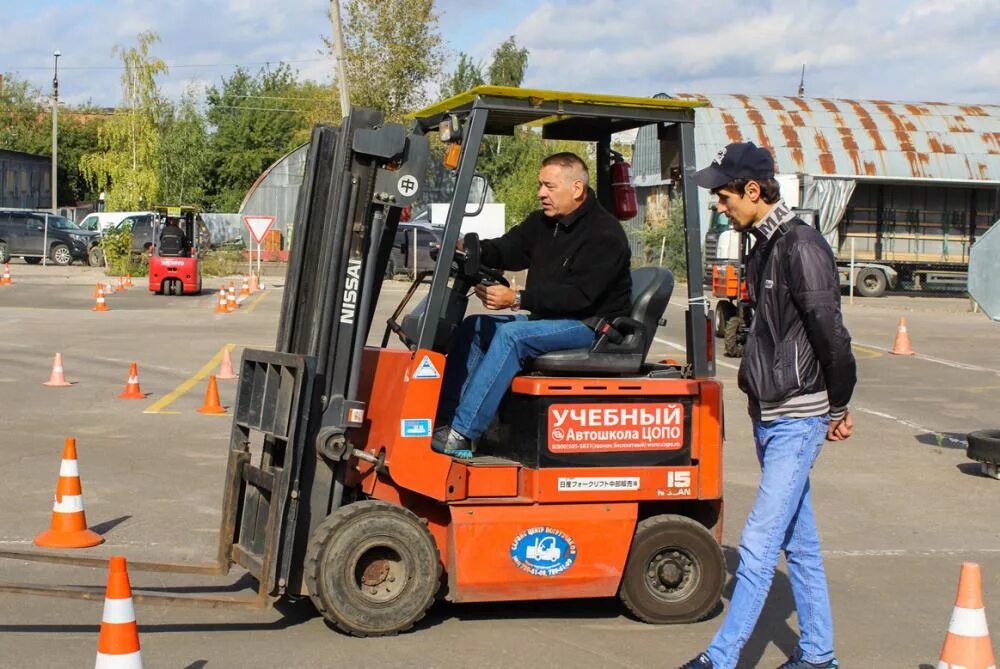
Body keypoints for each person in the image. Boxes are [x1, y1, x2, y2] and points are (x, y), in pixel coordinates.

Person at [679, 142, 857, 669]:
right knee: (798, 546)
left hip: (799, 416)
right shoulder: (761, 247)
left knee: (757, 542)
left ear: (753, 191)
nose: (719, 204)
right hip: (772, 415)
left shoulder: (801, 246)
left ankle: (721, 658)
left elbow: (832, 333)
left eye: (724, 194)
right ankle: (820, 656)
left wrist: (839, 405)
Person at [432, 152, 632, 458]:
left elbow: (578, 296)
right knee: (476, 326)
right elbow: (509, 248)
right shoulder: (544, 222)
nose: (541, 193)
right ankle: (444, 419)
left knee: (512, 337)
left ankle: (462, 433)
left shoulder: (605, 234)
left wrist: (518, 299)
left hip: (589, 325)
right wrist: (473, 249)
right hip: (552, 318)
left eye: (549, 186)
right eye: (541, 185)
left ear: (576, 189)